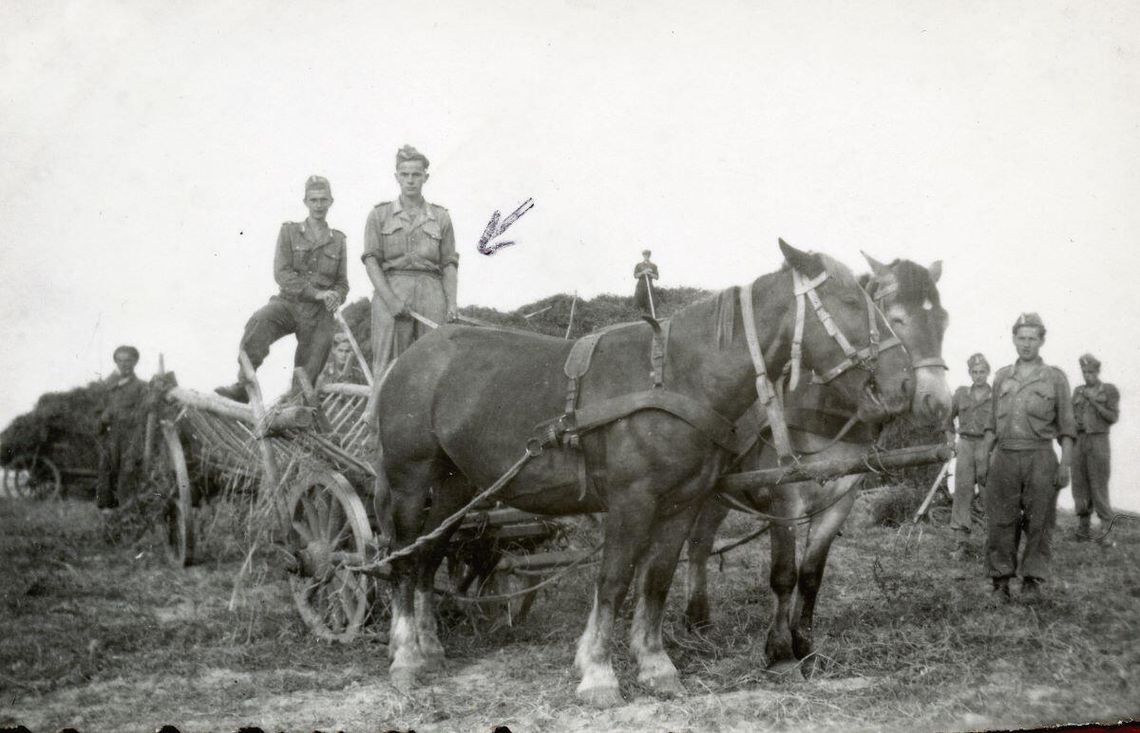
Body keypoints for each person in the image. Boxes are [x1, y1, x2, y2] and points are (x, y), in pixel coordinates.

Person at [215, 176, 348, 403]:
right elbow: (282, 273)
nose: (318, 205)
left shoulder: (338, 240)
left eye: (323, 200)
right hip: (288, 302)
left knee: (312, 363)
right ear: (305, 201)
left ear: (331, 202)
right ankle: (243, 386)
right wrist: (316, 293)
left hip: (319, 314)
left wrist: (337, 296)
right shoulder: (289, 231)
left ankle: (296, 406)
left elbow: (342, 283)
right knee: (260, 320)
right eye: (313, 200)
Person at [981, 313, 1076, 600]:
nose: (1026, 344)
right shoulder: (1001, 377)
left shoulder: (1055, 378)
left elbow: (1067, 428)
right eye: (1021, 338)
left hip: (1040, 456)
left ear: (1041, 341)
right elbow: (990, 425)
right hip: (1005, 456)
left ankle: (1032, 581)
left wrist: (1064, 466)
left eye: (1032, 338)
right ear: (1013, 339)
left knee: (1039, 521)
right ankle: (1000, 582)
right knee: (1000, 520)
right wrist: (984, 460)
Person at [362, 145, 458, 401]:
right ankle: (378, 435)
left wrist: (451, 304)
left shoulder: (441, 217)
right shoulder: (379, 215)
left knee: (434, 365)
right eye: (405, 174)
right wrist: (391, 300)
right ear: (397, 176)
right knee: (387, 367)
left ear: (426, 176)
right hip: (392, 288)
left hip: (431, 291)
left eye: (416, 174)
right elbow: (371, 261)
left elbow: (449, 263)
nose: (411, 180)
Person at [945, 353, 993, 558]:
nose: (979, 376)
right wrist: (951, 440)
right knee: (962, 492)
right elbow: (947, 420)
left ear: (988, 373)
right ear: (970, 373)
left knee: (989, 493)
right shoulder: (961, 394)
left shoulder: (996, 396)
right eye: (975, 372)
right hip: (965, 444)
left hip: (987, 445)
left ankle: (993, 544)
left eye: (982, 372)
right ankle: (961, 543)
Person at [1071, 353, 1119, 543]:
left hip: (1099, 441)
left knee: (1099, 485)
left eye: (1090, 372)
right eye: (1084, 372)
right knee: (1079, 485)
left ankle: (1106, 532)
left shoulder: (1108, 390)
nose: (1087, 375)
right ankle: (1083, 529)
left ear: (1097, 371)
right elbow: (1070, 415)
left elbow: (1113, 417)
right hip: (1079, 441)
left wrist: (1094, 401)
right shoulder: (1077, 391)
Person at [96, 345, 149, 509]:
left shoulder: (141, 387)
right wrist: (102, 418)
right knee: (106, 473)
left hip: (131, 438)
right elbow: (97, 412)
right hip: (111, 438)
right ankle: (107, 514)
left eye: (128, 361)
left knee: (127, 474)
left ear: (135, 362)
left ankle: (127, 513)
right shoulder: (108, 386)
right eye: (119, 360)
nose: (123, 364)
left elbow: (143, 415)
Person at [634, 249, 659, 316]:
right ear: (643, 255)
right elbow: (635, 276)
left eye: (648, 255)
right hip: (641, 286)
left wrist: (650, 274)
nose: (646, 256)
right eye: (645, 255)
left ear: (649, 256)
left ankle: (651, 316)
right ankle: (639, 317)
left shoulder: (653, 266)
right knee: (639, 302)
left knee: (650, 303)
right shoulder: (639, 265)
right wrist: (643, 272)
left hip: (649, 286)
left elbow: (657, 277)